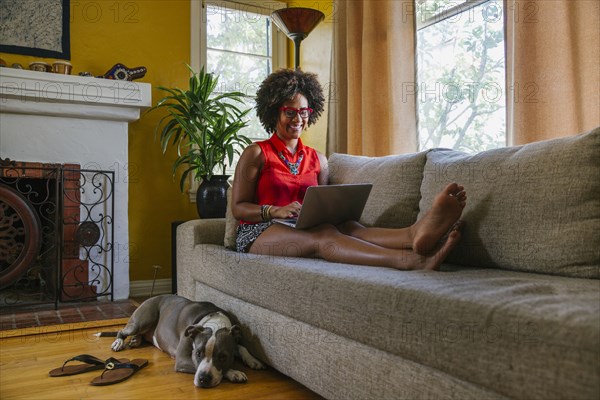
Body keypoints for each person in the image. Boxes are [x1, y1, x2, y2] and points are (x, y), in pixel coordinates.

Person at [231, 69, 466, 270]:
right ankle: (409, 261)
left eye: (303, 112)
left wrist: (334, 211)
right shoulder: (256, 153)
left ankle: (413, 234)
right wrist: (274, 211)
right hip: (259, 231)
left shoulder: (319, 160)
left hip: (298, 226)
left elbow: (320, 205)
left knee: (349, 227)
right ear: (274, 113)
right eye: (289, 112)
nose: (298, 118)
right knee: (324, 236)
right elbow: (239, 208)